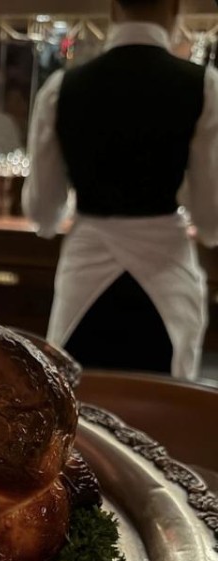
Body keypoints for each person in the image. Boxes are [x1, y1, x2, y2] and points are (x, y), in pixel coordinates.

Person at [22, 0, 218, 379]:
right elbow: (211, 216)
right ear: (175, 8)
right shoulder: (204, 86)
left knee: (78, 401)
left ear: (114, 8)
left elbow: (43, 212)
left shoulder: (61, 88)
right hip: (166, 277)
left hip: (84, 276)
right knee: (164, 405)